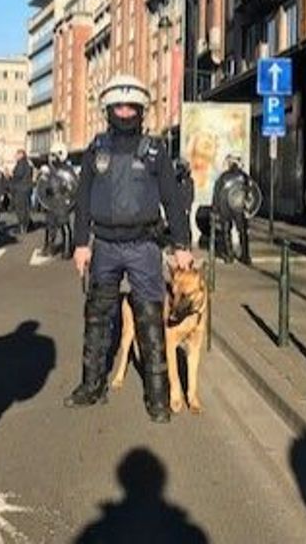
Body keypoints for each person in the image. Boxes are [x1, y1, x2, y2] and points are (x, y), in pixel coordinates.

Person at [67, 74, 193, 423]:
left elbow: (172, 199)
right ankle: (91, 387)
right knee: (96, 319)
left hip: (144, 246)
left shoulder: (155, 151)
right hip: (104, 245)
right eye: (118, 105)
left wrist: (181, 244)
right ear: (108, 109)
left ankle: (158, 398)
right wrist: (81, 244)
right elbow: (81, 199)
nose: (124, 111)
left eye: (130, 106)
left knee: (151, 321)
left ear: (141, 109)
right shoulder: (96, 149)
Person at [212, 154, 251, 264]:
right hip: (238, 207)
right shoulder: (243, 176)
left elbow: (217, 193)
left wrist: (215, 208)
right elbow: (250, 192)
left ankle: (229, 255)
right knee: (243, 231)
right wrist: (247, 207)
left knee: (226, 231)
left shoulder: (223, 177)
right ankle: (246, 255)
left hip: (225, 207)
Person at [42, 143, 77, 257]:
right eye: (52, 155)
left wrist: (67, 198)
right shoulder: (51, 170)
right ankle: (49, 248)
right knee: (50, 226)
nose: (53, 157)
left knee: (64, 226)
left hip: (62, 202)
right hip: (52, 202)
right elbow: (44, 185)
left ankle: (66, 250)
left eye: (55, 155)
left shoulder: (67, 170)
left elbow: (73, 186)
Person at [11, 149, 34, 234]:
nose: (15, 156)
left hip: (21, 189)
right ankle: (25, 226)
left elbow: (18, 175)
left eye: (17, 154)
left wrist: (13, 175)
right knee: (25, 208)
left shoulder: (21, 164)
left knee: (21, 209)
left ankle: (22, 227)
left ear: (21, 155)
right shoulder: (27, 164)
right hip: (26, 189)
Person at [174, 159, 197, 246]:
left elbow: (190, 195)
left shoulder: (189, 180)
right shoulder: (176, 180)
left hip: (184, 207)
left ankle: (187, 243)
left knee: (186, 225)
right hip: (177, 206)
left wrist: (187, 207)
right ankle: (178, 243)